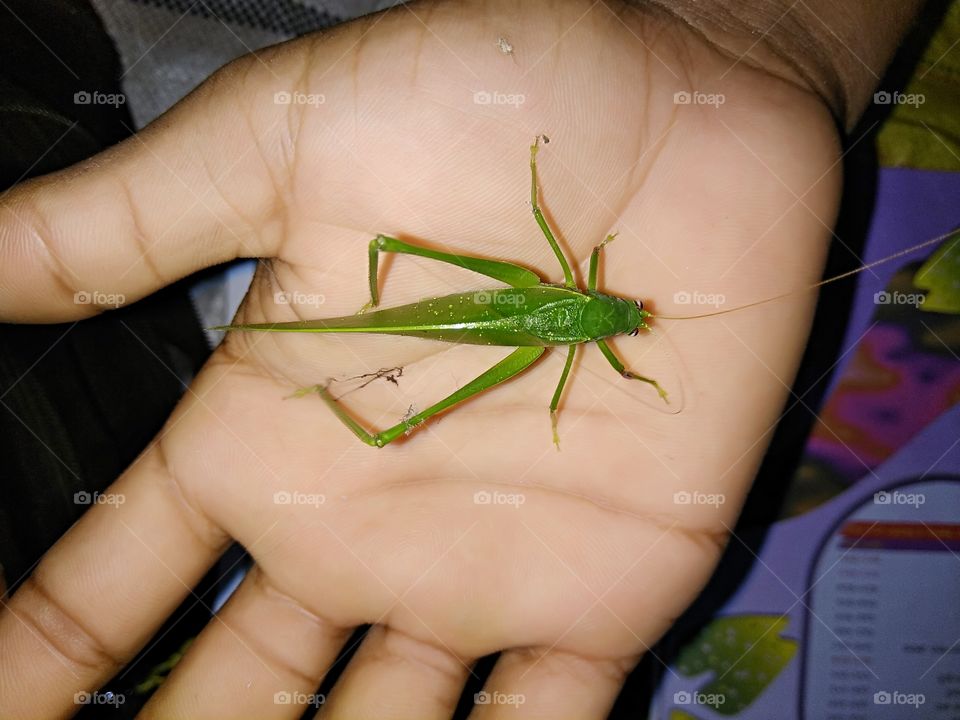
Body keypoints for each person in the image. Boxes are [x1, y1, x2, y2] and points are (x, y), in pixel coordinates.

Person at [0, 0, 925, 717]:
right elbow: (548, 237)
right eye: (629, 316)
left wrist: (756, 47)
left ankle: (369, 394)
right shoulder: (587, 303)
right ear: (606, 301)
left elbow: (577, 329)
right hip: (500, 301)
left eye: (629, 321)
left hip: (507, 330)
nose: (632, 319)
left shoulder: (586, 319)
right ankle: (357, 370)